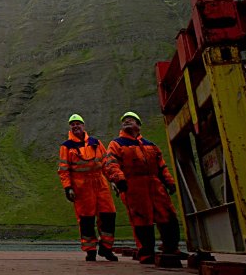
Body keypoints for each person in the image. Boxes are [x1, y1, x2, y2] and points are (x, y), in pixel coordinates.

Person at [104, 111, 182, 265]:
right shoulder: (116, 144)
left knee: (167, 215)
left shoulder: (150, 145)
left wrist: (169, 182)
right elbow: (111, 163)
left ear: (138, 125)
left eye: (130, 120)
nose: (126, 121)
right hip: (133, 186)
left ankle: (171, 248)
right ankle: (146, 253)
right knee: (141, 219)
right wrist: (119, 180)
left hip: (155, 184)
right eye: (124, 120)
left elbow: (162, 166)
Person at [57, 114, 119, 262]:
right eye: (73, 124)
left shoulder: (96, 143)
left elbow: (106, 163)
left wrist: (113, 180)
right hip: (81, 187)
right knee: (86, 220)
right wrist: (68, 188)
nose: (76, 126)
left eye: (78, 123)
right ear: (70, 128)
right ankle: (90, 250)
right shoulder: (66, 146)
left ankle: (106, 248)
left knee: (108, 215)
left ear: (83, 125)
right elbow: (64, 170)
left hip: (100, 183)